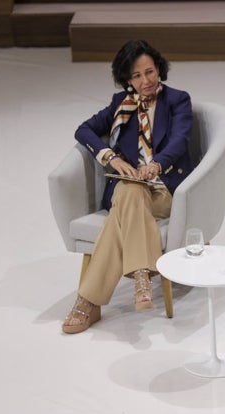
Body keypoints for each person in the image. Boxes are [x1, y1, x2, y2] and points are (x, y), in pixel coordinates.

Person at [62, 39, 195, 334]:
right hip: (131, 189)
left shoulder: (177, 101)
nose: (146, 81)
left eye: (150, 71)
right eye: (137, 75)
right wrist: (109, 157)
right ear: (127, 79)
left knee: (127, 199)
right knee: (131, 190)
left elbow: (180, 140)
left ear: (159, 69)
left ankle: (88, 301)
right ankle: (142, 276)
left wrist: (156, 164)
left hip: (164, 191)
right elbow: (83, 130)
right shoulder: (120, 105)